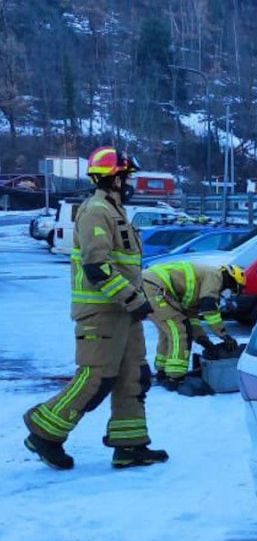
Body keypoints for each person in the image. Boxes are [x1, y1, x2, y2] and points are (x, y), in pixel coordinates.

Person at [23, 146, 168, 470]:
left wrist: (135, 304)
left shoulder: (116, 212)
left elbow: (124, 267)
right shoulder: (95, 211)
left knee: (134, 378)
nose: (130, 183)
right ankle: (44, 432)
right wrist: (134, 301)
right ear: (114, 179)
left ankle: (130, 446)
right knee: (97, 379)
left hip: (124, 314)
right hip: (101, 314)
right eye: (126, 177)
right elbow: (97, 267)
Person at [141, 262, 245, 392]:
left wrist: (203, 340)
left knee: (168, 331)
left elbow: (192, 318)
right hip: (155, 288)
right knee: (180, 331)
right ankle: (175, 377)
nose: (228, 294)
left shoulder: (199, 285)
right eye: (233, 289)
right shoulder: (216, 276)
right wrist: (224, 335)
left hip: (149, 286)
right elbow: (209, 307)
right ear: (231, 279)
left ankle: (162, 370)